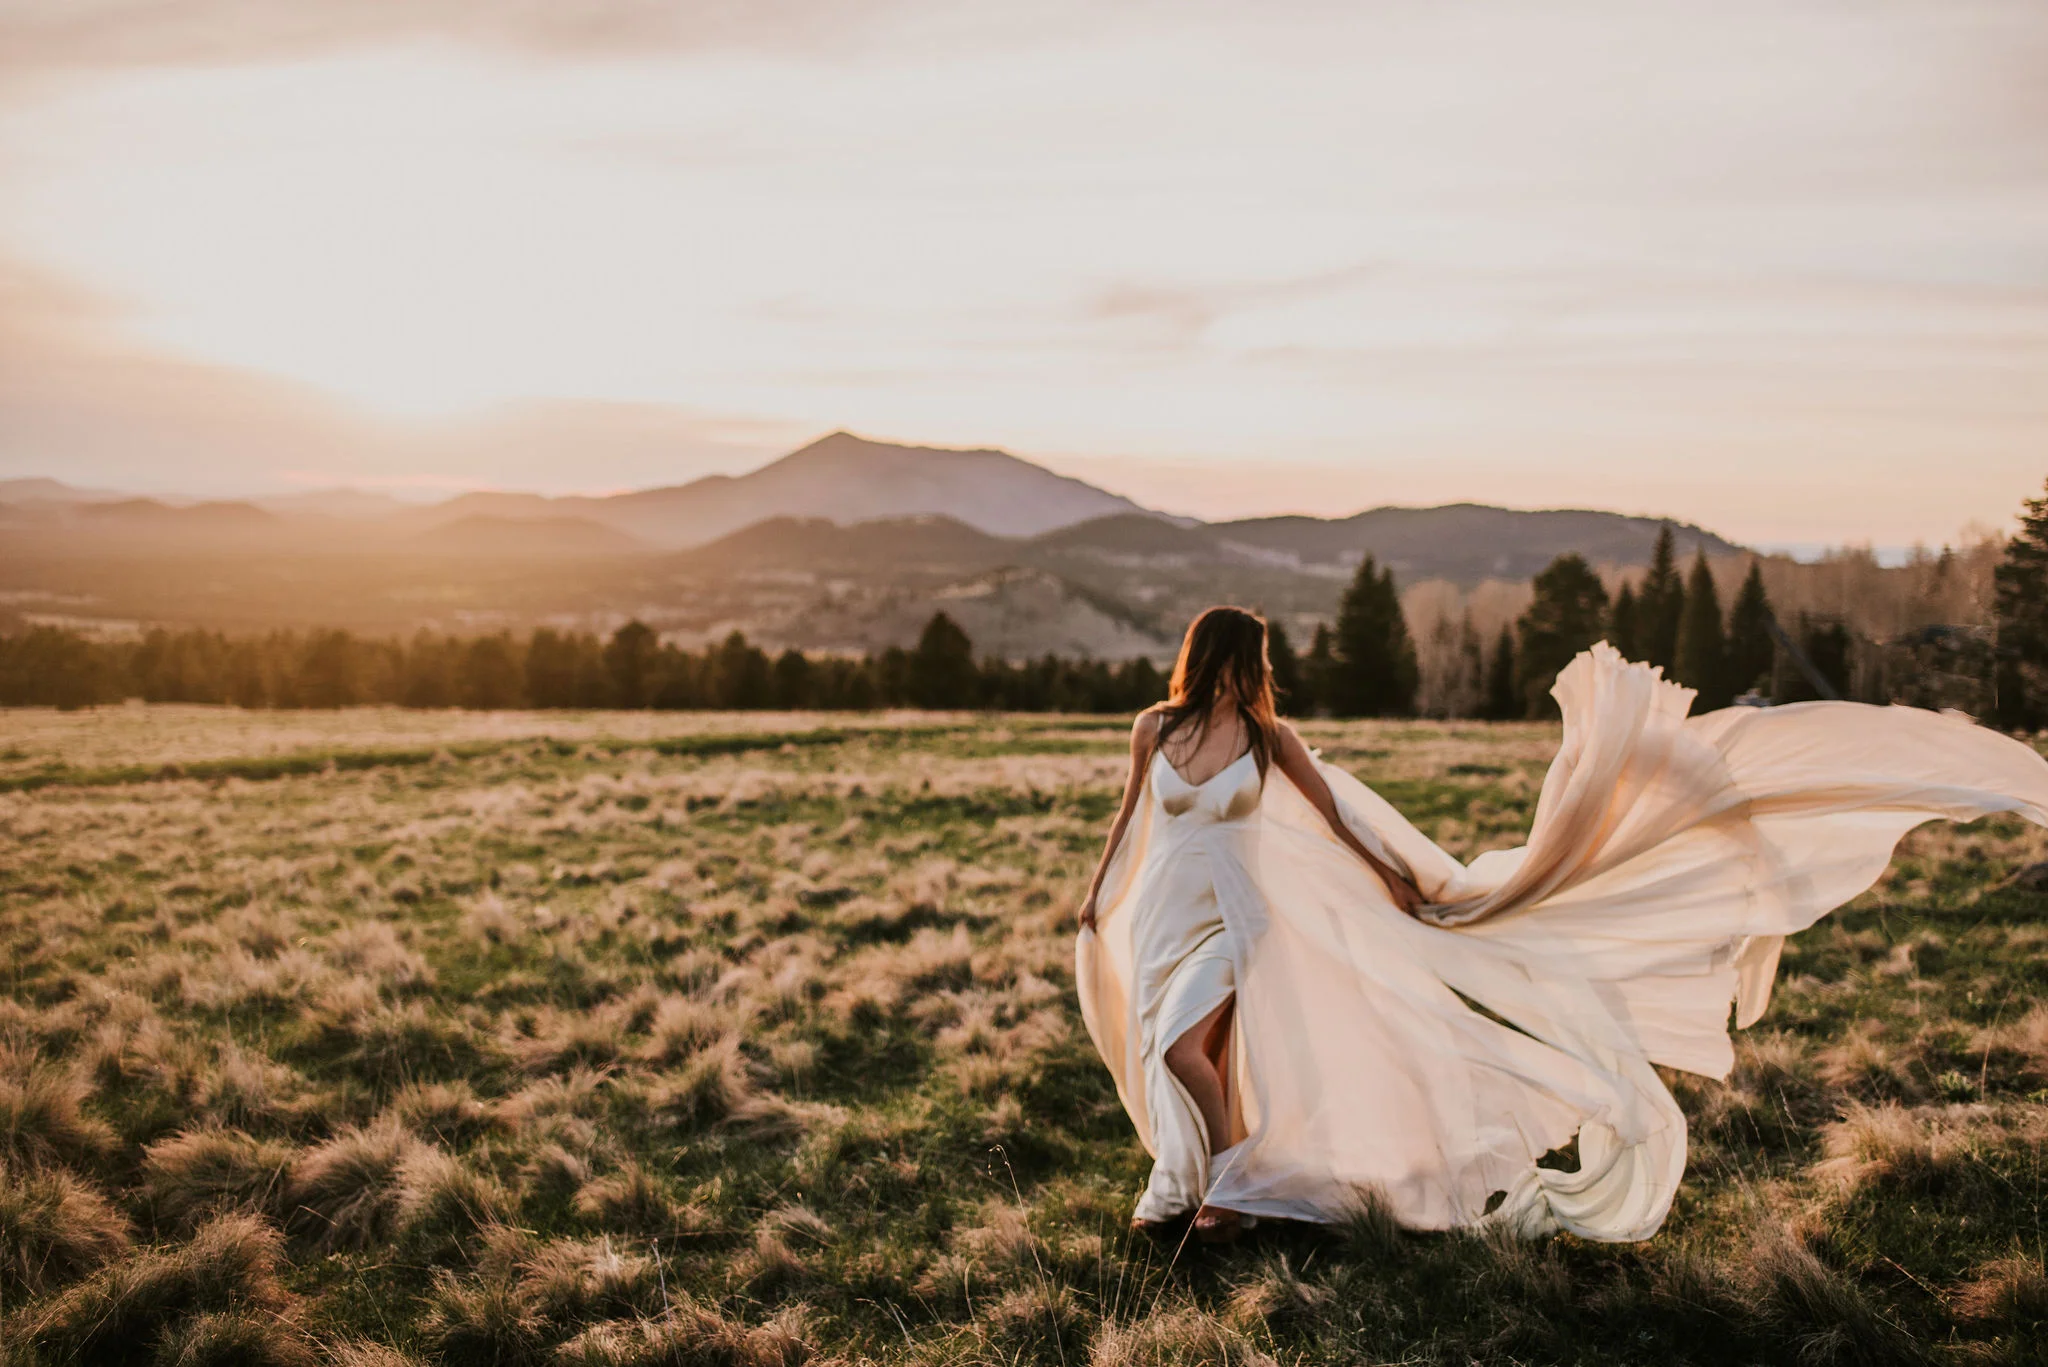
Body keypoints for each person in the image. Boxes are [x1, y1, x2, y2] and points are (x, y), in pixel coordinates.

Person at [1075, 605, 2048, 1244]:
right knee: (1192, 1046)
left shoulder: (1267, 736)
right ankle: (1212, 1183)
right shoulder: (1152, 727)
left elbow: (1332, 816)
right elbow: (1129, 820)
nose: (1258, 671)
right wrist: (1095, 896)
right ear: (1218, 657)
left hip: (1243, 914)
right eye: (1249, 658)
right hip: (1164, 910)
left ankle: (1224, 1188)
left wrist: (1397, 882)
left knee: (1185, 1049)